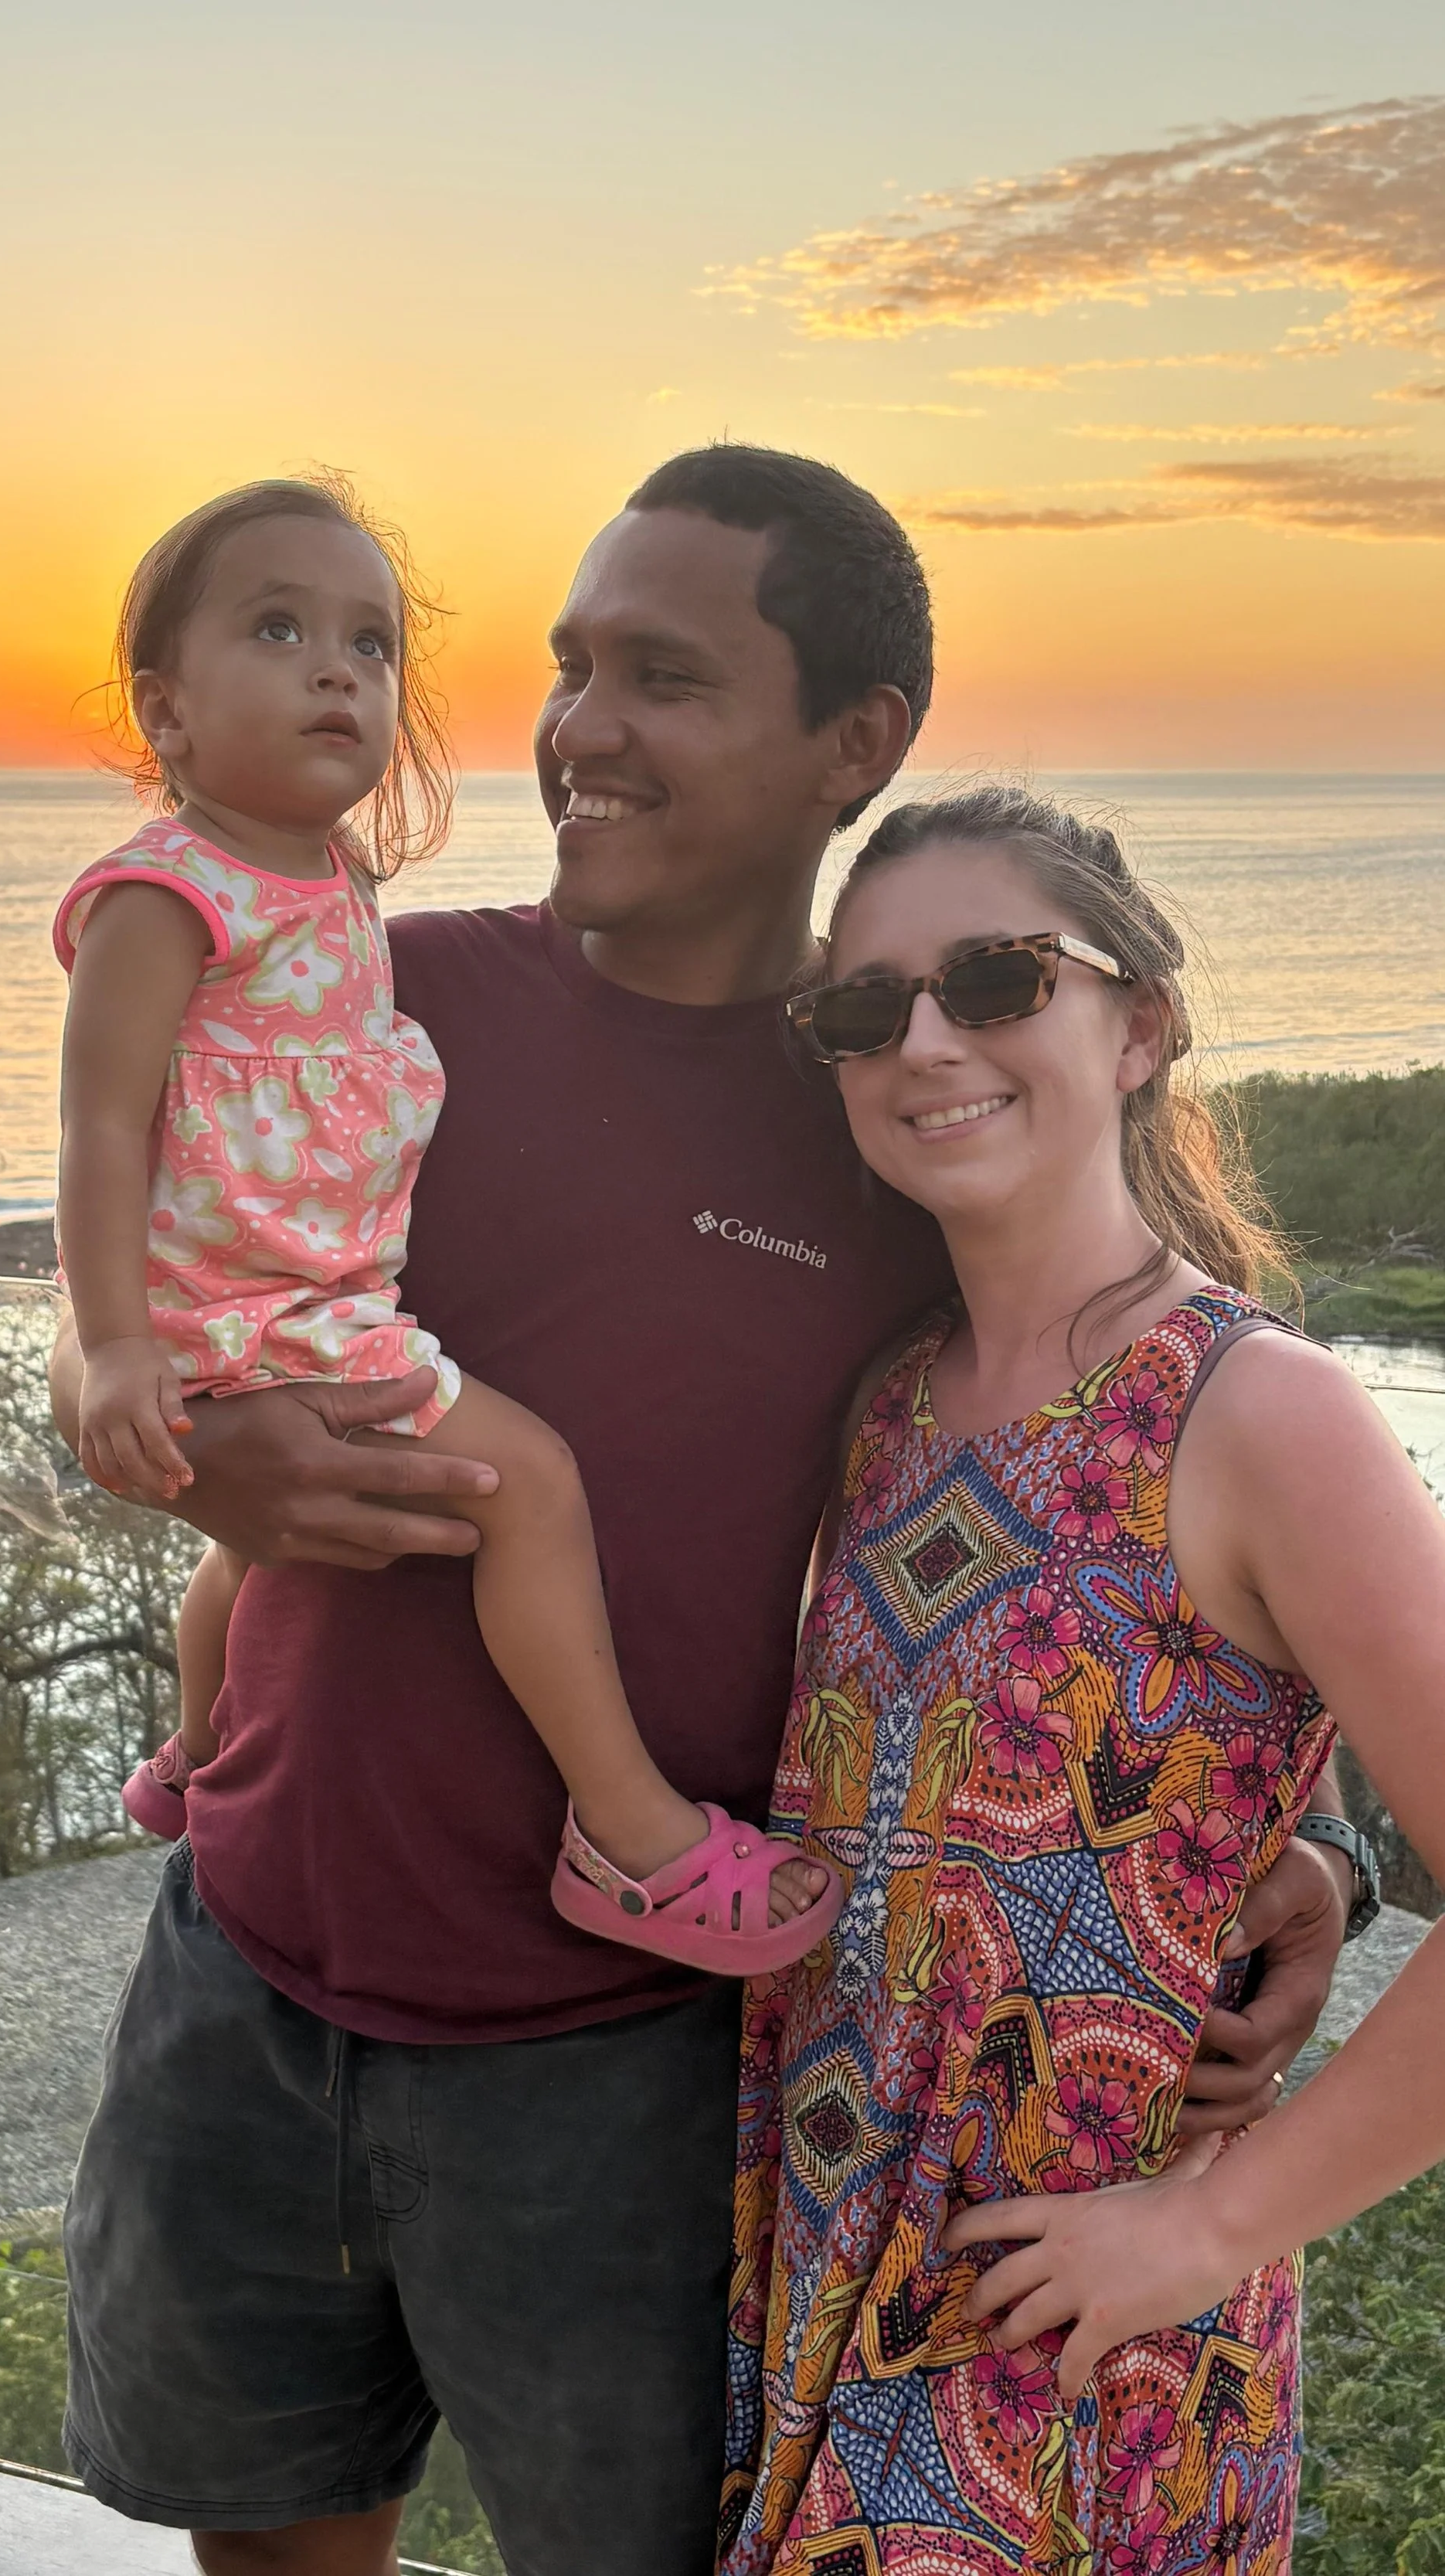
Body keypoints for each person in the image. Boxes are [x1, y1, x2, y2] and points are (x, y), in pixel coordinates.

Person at [52, 451, 1356, 2576]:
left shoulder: (905, 1104)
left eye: (661, 676)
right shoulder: (379, 995)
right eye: (568, 667)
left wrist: (1312, 1850)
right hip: (245, 1975)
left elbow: (1139, 1500)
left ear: (855, 738)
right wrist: (128, 1408)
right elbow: (143, 1244)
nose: (579, 729)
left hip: (623, 2072)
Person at [722, 784, 1435, 2575]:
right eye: (861, 1006)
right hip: (819, 2296)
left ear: (1136, 1028)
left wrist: (1207, 2232)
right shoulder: (882, 1401)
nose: (923, 1040)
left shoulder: (1257, 1414)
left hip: (1077, 2367)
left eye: (991, 978)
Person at [55, 473, 837, 1972]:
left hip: (289, 1309)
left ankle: (189, 1750)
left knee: (251, 1557)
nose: (335, 673)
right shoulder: (203, 910)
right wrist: (119, 1364)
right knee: (524, 1484)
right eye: (278, 630)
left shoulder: (896, 1110)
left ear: (850, 739)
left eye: (368, 644)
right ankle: (631, 1833)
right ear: (164, 708)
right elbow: (102, 1142)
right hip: (279, 1332)